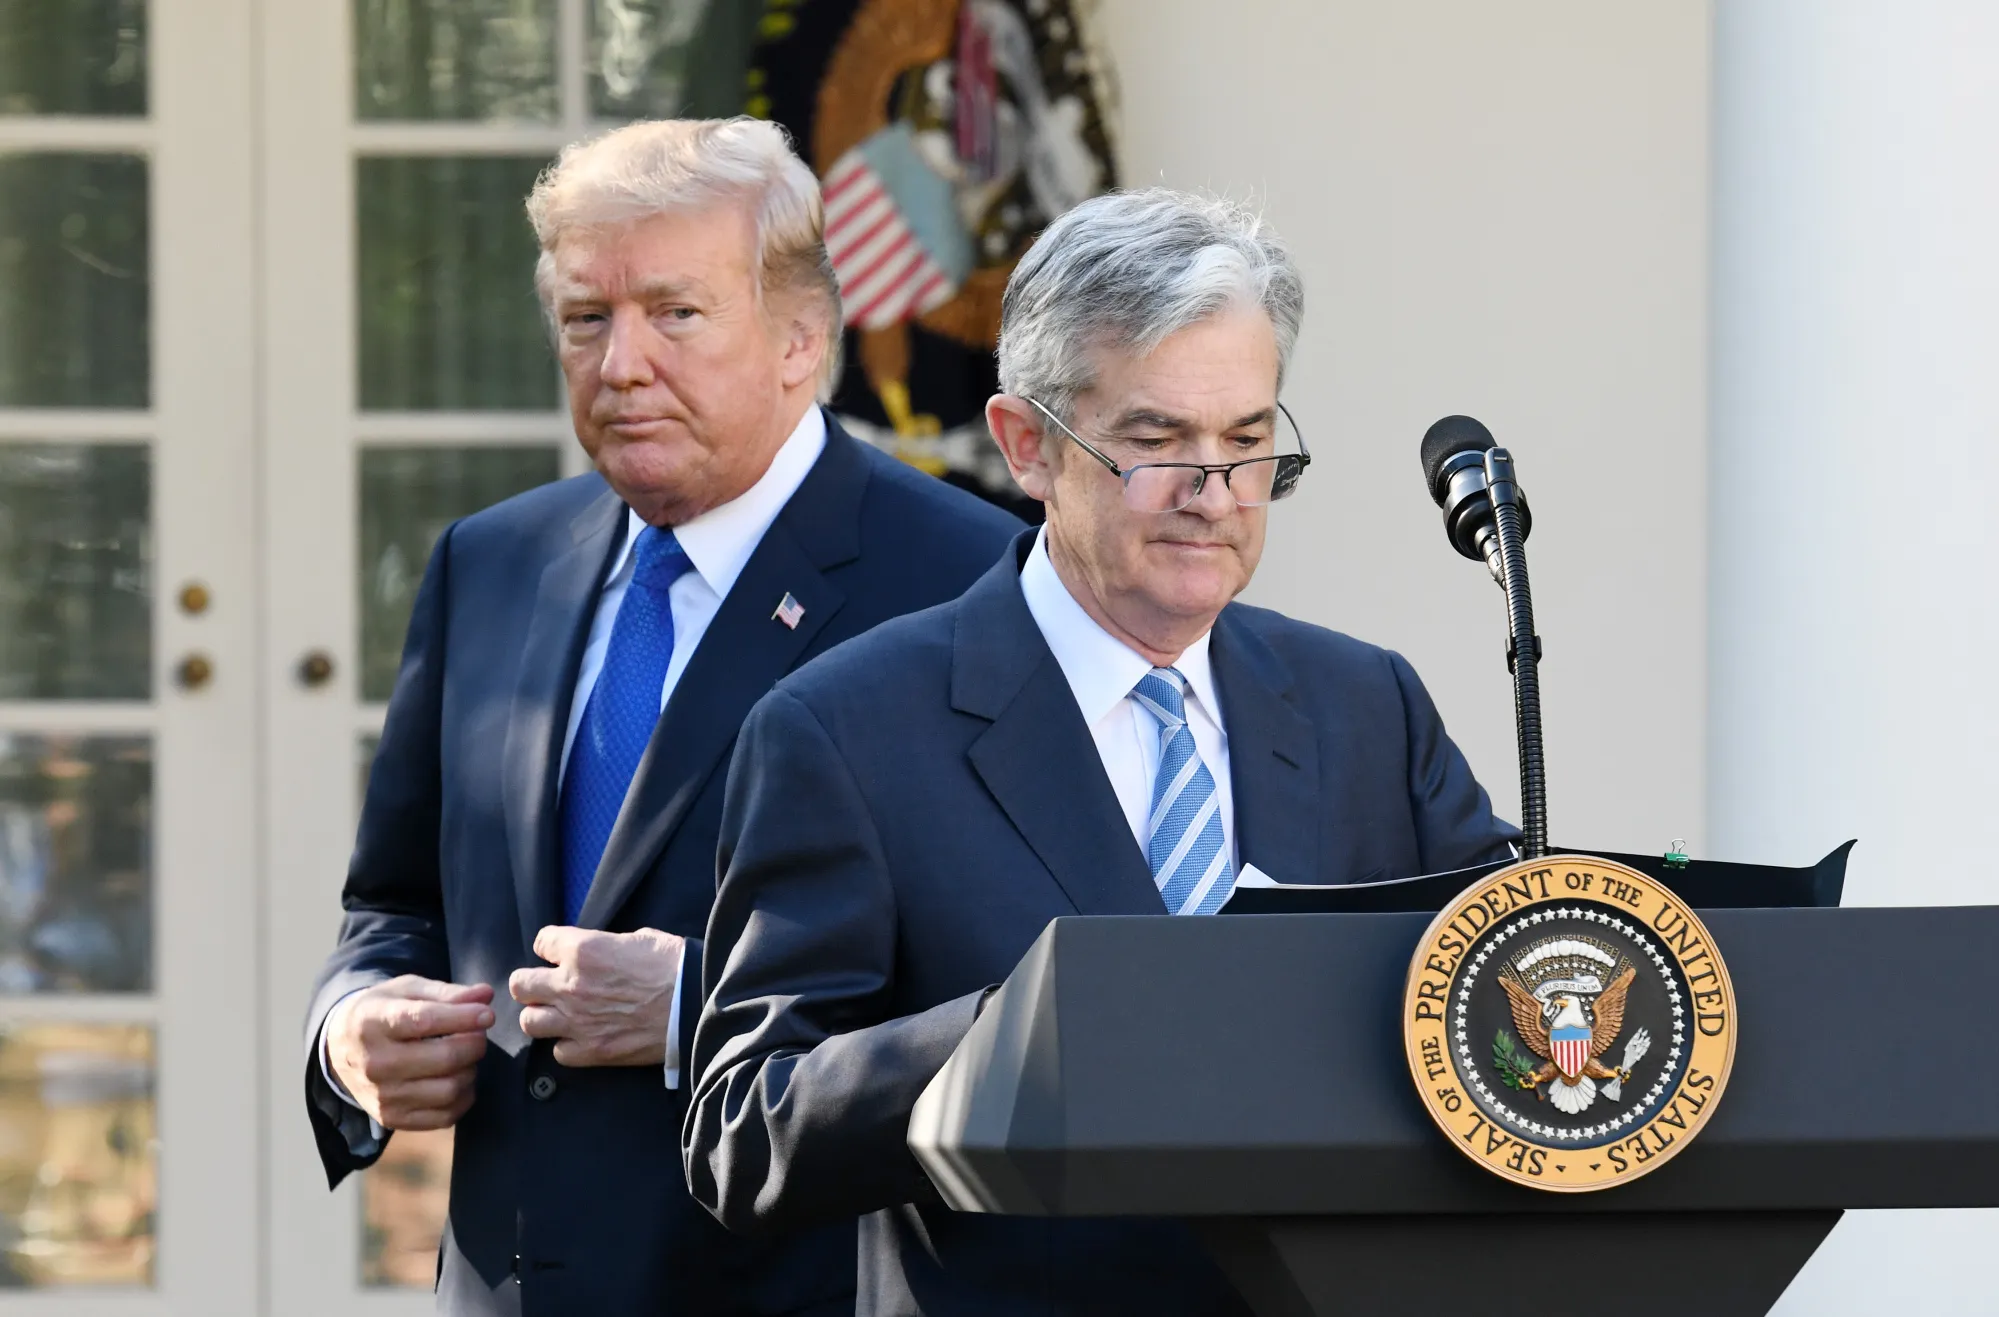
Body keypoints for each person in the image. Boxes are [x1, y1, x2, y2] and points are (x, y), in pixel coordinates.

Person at [683, 189, 1519, 1315]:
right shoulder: (845, 728)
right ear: (1028, 445)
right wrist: (1019, 1034)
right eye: (1155, 440)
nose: (1213, 496)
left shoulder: (1364, 704)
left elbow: (1491, 999)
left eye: (1248, 442)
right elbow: (746, 1128)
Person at [303, 118, 1021, 1315]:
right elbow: (393, 905)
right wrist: (351, 1033)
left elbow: (1013, 998)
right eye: (588, 320)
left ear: (802, 338)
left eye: (675, 315)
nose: (620, 362)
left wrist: (700, 1012)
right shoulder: (491, 564)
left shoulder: (968, 585)